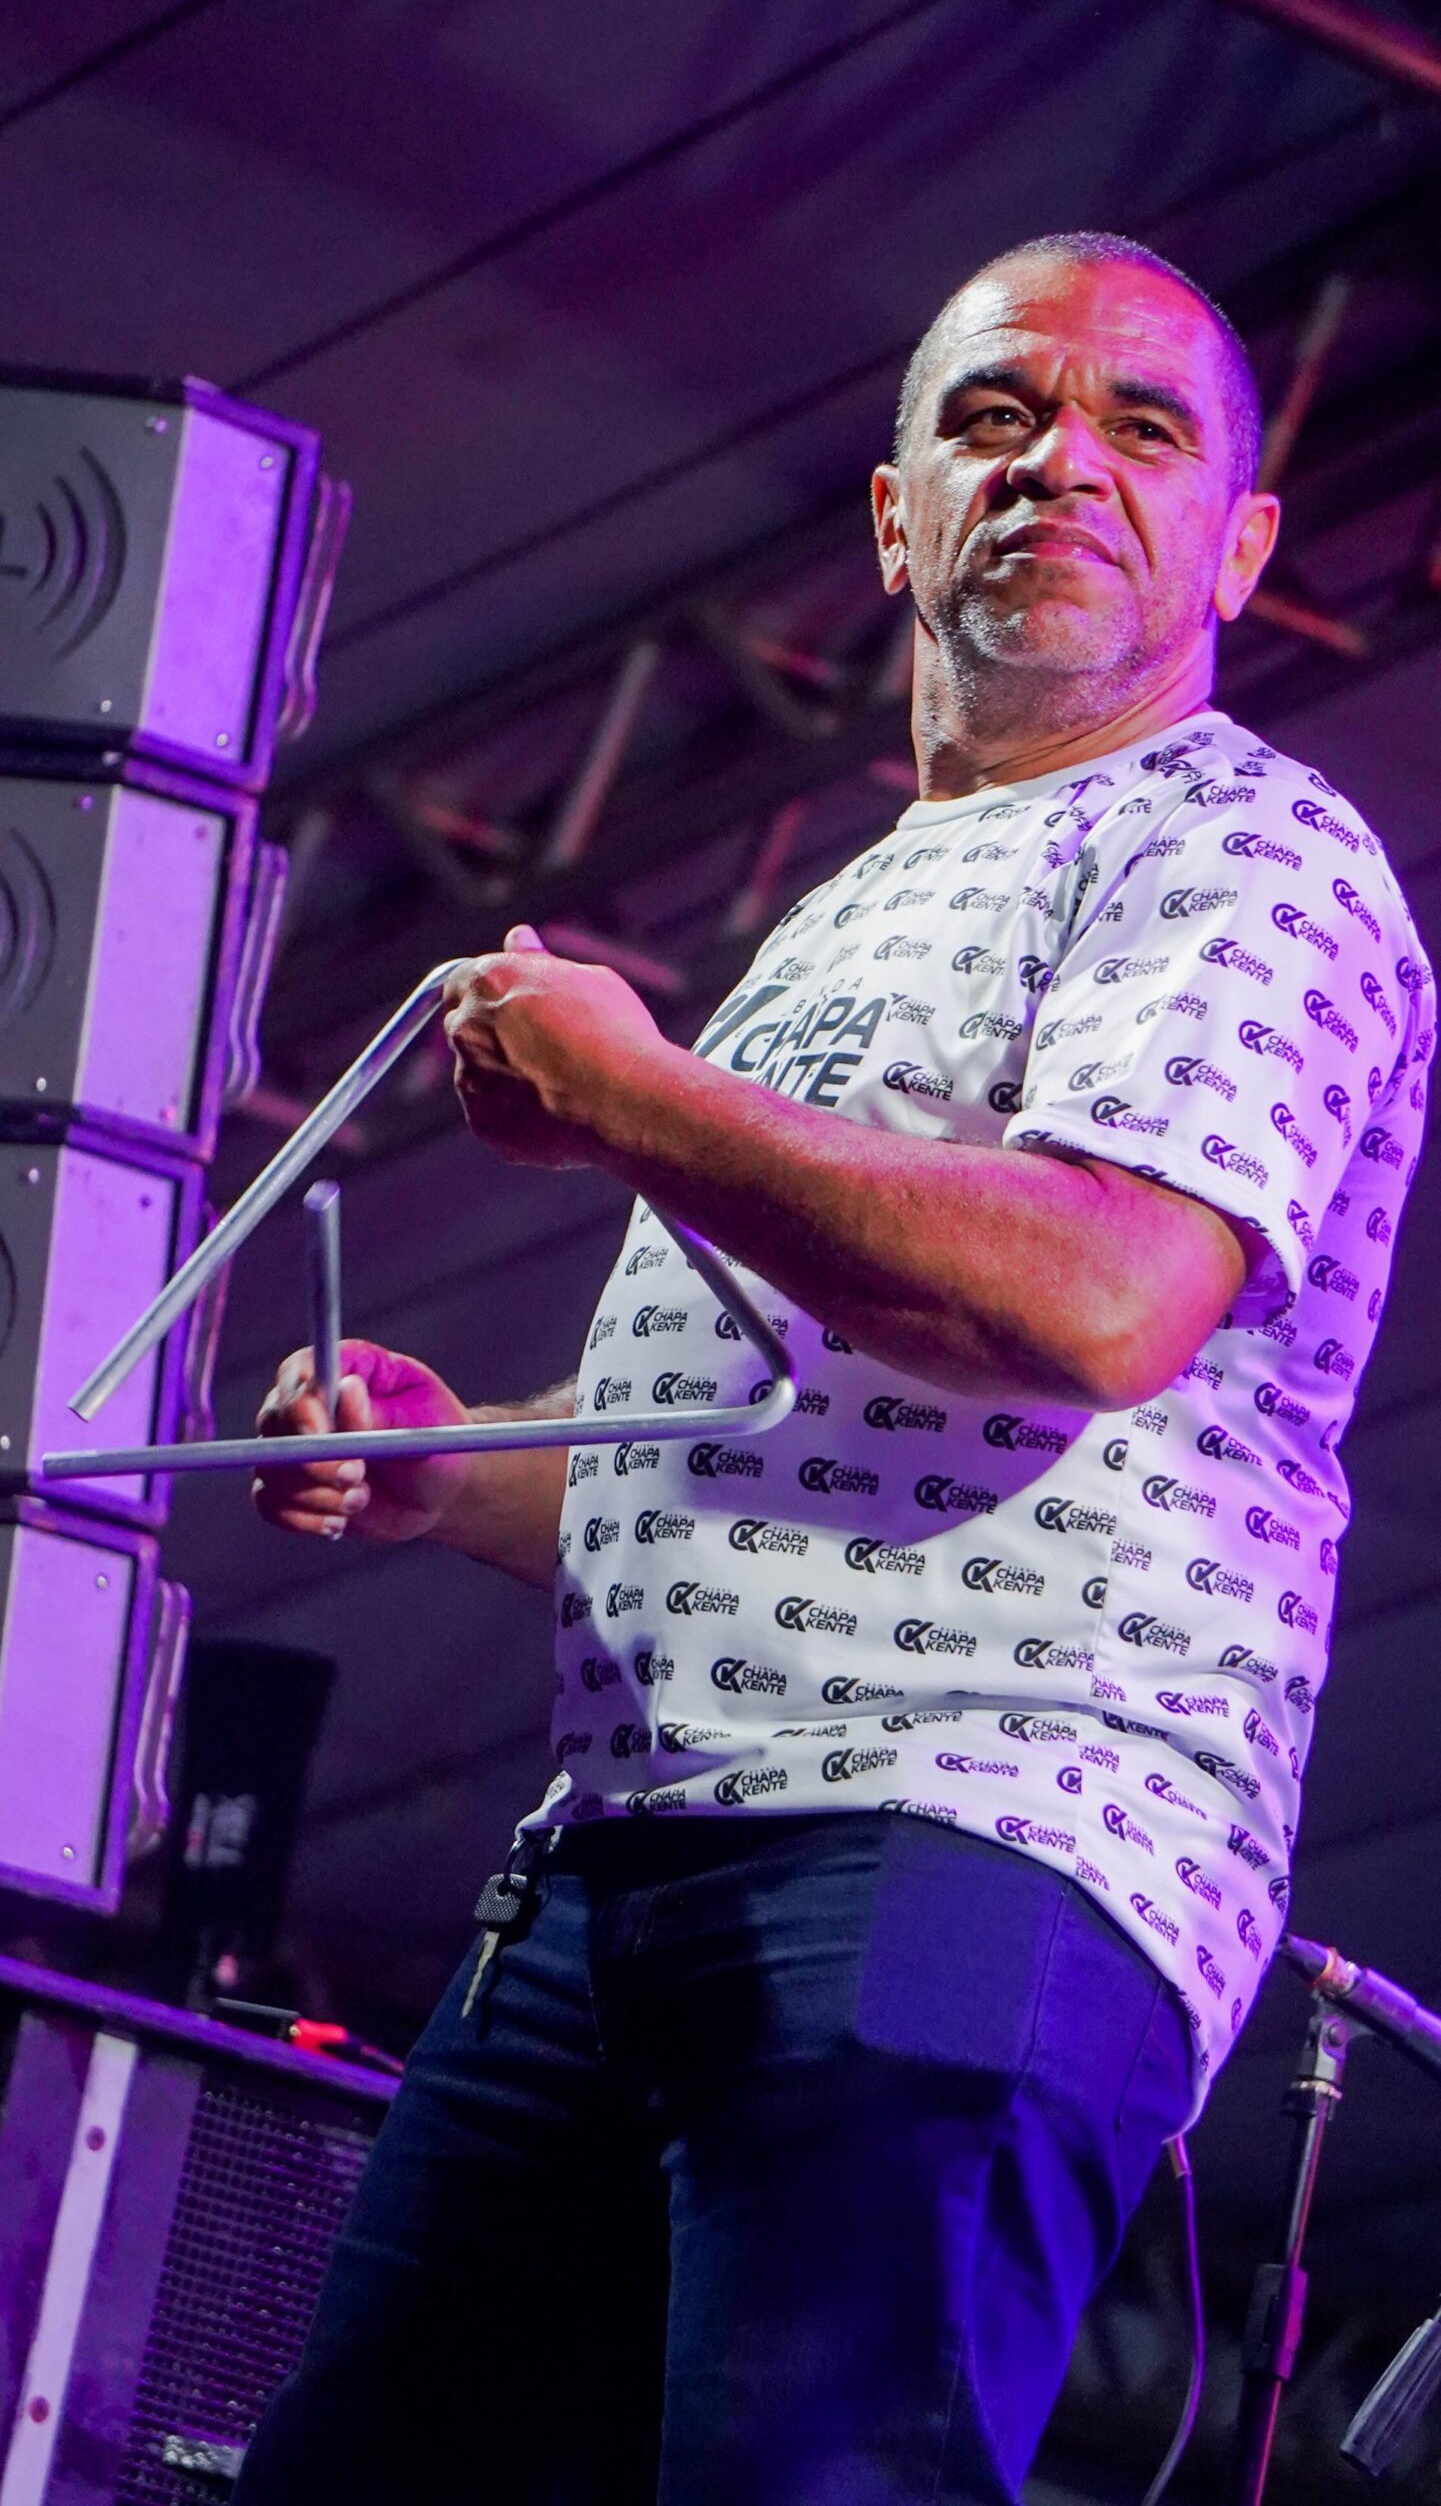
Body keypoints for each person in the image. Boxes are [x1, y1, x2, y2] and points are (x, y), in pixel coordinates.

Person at [234, 232, 1433, 2506]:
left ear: (1241, 548)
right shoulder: (846, 904)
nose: (1059, 461)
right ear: (896, 519)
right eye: (995, 415)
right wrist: (452, 1467)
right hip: (627, 1855)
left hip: (973, 1830)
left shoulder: (1244, 845)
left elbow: (1089, 1302)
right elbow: (772, 1429)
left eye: (1141, 427)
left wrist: (638, 1095)